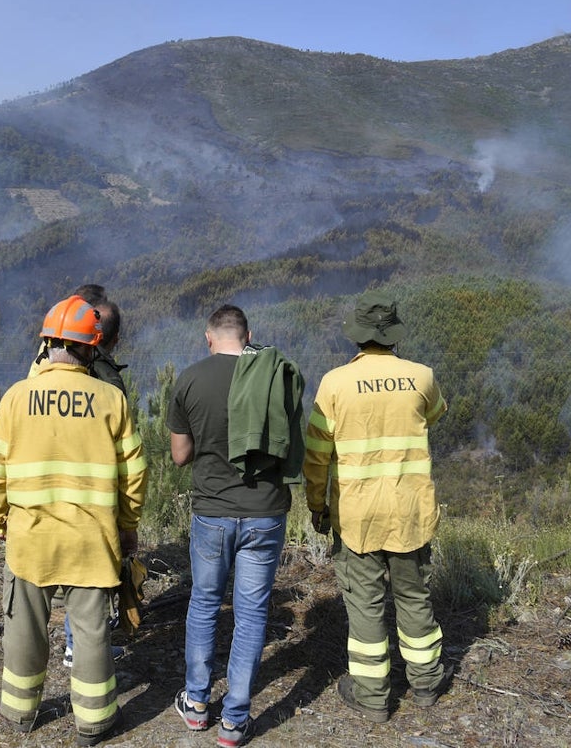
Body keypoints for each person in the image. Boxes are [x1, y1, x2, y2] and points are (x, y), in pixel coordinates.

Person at [0, 295, 147, 746]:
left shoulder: (17, 397)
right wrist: (127, 527)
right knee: (92, 632)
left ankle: (19, 715)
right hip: (91, 541)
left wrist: (0, 518)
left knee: (24, 628)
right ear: (91, 348)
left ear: (48, 344)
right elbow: (135, 474)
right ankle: (93, 723)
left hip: (30, 538)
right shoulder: (111, 399)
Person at [303, 291, 451, 723]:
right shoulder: (422, 377)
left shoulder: (334, 383)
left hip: (357, 515)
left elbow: (316, 455)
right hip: (410, 510)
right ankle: (426, 683)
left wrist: (317, 505)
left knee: (365, 604)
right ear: (394, 337)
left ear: (358, 339)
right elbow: (434, 415)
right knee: (414, 596)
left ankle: (372, 697)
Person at [166, 304, 305, 748]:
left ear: (209, 338)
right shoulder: (271, 374)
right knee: (251, 614)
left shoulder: (189, 378)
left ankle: (197, 704)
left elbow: (180, 455)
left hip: (213, 513)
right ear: (248, 336)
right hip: (265, 512)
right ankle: (235, 721)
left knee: (205, 603)